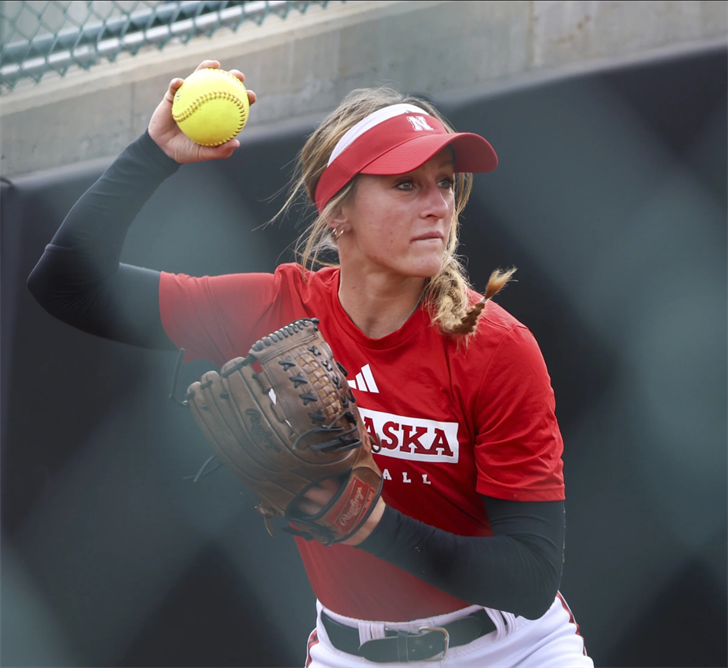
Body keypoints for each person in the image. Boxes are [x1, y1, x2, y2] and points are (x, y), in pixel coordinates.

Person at [28, 60, 594, 667]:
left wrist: (369, 527)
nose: (438, 205)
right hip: (349, 652)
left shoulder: (495, 346)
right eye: (407, 184)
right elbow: (66, 284)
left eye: (446, 181)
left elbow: (532, 577)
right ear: (337, 212)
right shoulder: (279, 308)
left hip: (508, 650)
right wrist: (154, 153)